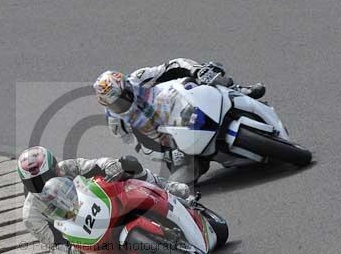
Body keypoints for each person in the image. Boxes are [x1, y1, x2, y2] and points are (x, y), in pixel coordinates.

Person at [17, 146, 192, 254]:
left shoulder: (69, 167)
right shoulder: (31, 214)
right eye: (34, 182)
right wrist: (74, 250)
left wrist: (112, 166)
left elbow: (97, 164)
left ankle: (168, 188)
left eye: (46, 176)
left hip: (102, 200)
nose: (43, 184)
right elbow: (53, 243)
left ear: (56, 169)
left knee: (129, 166)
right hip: (83, 232)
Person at [93, 58, 265, 184]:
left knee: (208, 79)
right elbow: (140, 146)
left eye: (122, 98)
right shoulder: (117, 122)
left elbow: (172, 65)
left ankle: (240, 90)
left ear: (126, 86)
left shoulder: (138, 77)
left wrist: (196, 70)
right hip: (173, 141)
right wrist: (166, 153)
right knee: (178, 185)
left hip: (179, 103)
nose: (121, 105)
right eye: (115, 104)